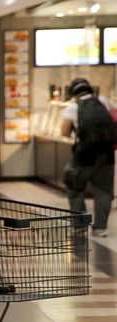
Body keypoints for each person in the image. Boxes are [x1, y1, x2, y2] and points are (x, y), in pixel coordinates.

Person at [61, 77, 115, 237]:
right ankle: (100, 228)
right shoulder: (103, 101)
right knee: (104, 190)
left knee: (74, 186)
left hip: (85, 155)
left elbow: (63, 132)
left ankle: (79, 226)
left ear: (74, 93)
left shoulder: (72, 107)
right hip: (107, 153)